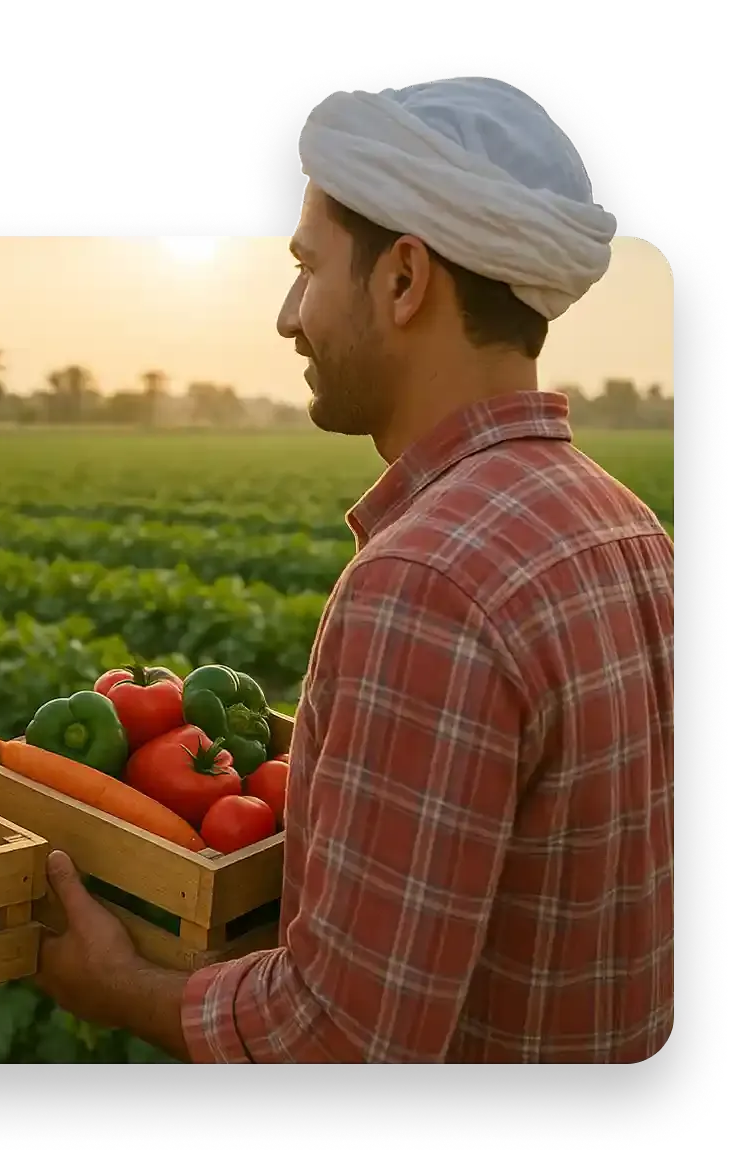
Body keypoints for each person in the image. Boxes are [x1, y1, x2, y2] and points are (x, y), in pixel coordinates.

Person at [34, 74, 675, 1064]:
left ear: (403, 281)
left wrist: (119, 987)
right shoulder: (628, 528)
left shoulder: (423, 583)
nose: (291, 316)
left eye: (308, 268)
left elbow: (340, 1037)